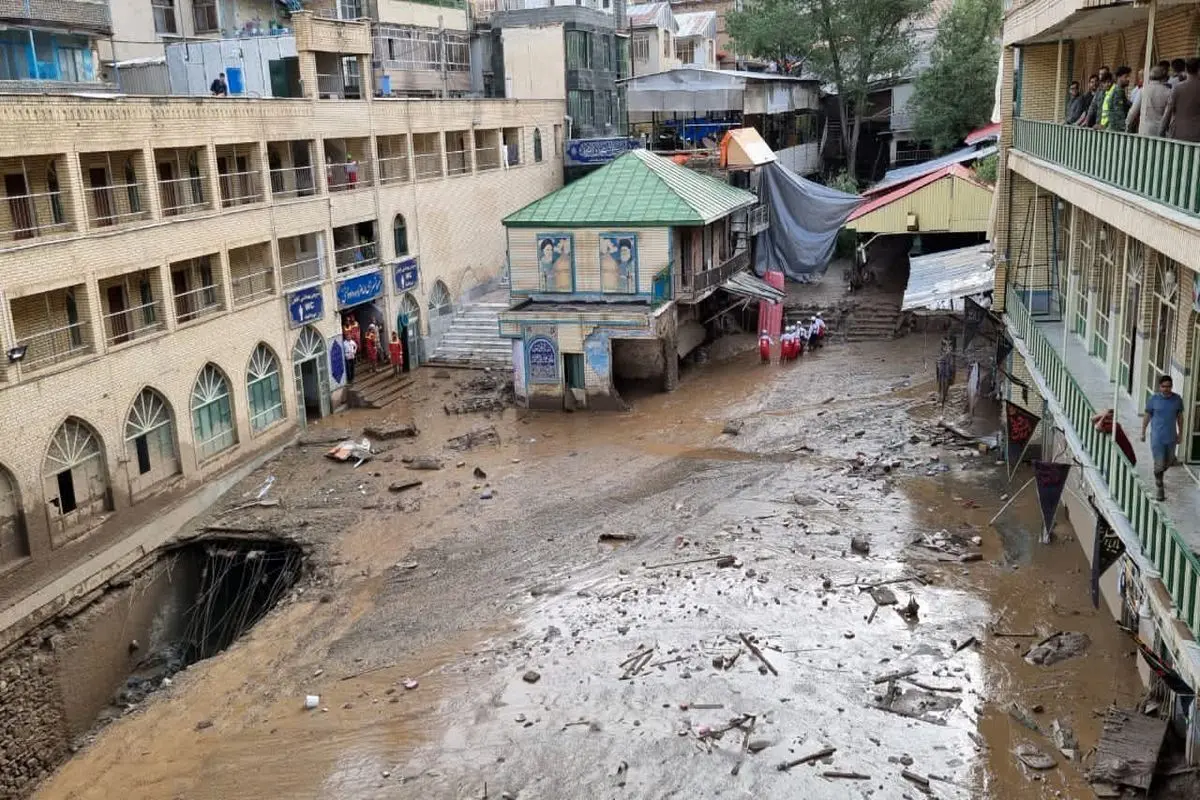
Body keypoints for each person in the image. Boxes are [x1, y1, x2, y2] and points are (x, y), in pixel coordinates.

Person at [1141, 375, 1184, 501]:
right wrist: (1143, 432)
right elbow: (1147, 416)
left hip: (1171, 437)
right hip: (1157, 438)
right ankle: (1159, 486)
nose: (1166, 389)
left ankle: (1159, 474)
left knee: (1170, 461)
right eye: (1163, 386)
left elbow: (1180, 418)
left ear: (1172, 387)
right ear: (1159, 387)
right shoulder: (1154, 399)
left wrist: (1180, 434)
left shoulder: (1177, 400)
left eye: (1169, 386)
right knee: (1159, 464)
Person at [1161, 57, 1200, 142]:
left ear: (1186, 70)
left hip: (1178, 134)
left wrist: (1161, 132)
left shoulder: (1177, 88)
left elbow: (1168, 111)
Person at [1128, 65, 1170, 135]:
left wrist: (1127, 126)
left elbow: (1133, 112)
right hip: (1162, 131)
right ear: (1163, 77)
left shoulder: (1143, 90)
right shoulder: (1168, 91)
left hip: (1145, 130)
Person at [1101, 66, 1133, 131]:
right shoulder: (1118, 91)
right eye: (1126, 76)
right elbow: (1119, 112)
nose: (1128, 79)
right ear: (1119, 77)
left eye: (1129, 77)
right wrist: (1124, 128)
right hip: (1115, 130)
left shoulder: (1115, 90)